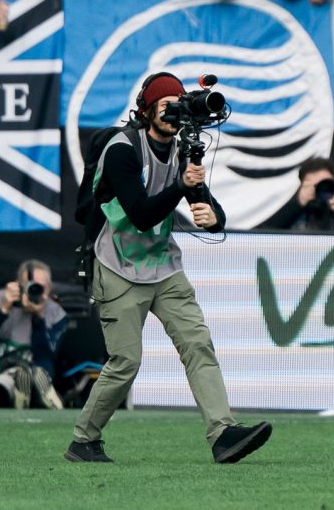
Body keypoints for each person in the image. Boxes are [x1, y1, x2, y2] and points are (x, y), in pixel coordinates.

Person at [66, 73, 272, 464]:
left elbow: (202, 198)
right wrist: (181, 184)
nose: (175, 113)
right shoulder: (122, 149)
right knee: (125, 363)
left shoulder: (181, 149)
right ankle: (83, 439)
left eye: (179, 104)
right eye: (166, 106)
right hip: (117, 265)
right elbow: (142, 214)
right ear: (146, 110)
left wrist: (215, 217)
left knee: (198, 344)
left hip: (163, 264)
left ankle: (223, 433)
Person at [0, 260, 67, 409]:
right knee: (0, 387)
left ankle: (30, 396)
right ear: (18, 285)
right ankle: (20, 395)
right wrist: (3, 310)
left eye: (40, 287)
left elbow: (47, 356)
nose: (34, 290)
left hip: (32, 375)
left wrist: (39, 318)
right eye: (29, 285)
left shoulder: (56, 313)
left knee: (38, 374)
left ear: (49, 288)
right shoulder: (0, 300)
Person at [257, 157, 334, 231]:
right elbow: (259, 239)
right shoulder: (294, 214)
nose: (320, 190)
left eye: (325, 184)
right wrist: (297, 205)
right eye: (312, 186)